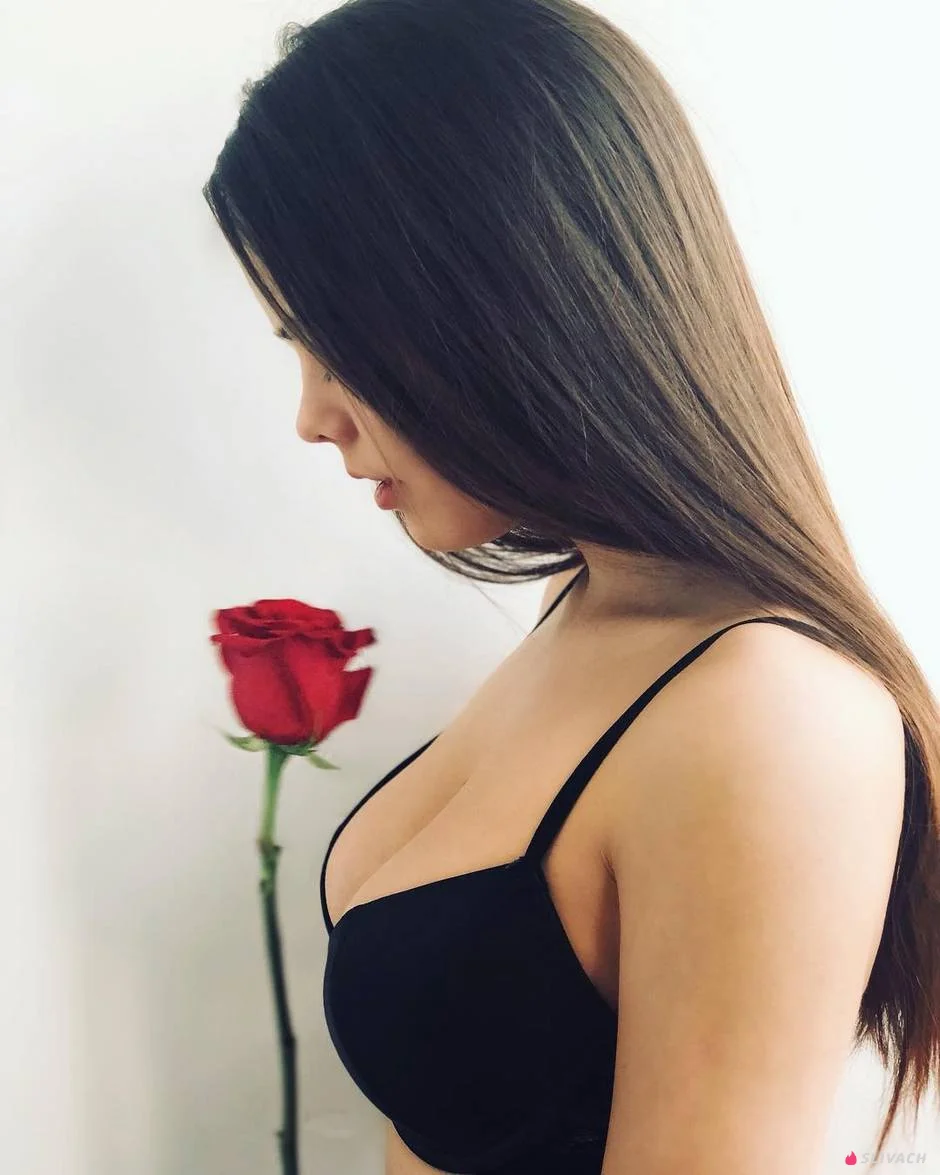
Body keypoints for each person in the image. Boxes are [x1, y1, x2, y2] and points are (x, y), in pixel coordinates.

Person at [203, 2, 940, 1171]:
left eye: (331, 343)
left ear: (504, 291)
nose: (312, 415)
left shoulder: (768, 713)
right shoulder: (588, 605)